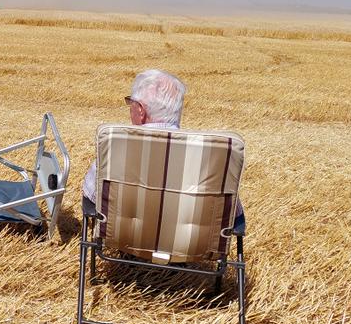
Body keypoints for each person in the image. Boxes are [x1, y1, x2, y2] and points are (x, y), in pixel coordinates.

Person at [81, 68, 244, 221]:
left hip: (125, 239)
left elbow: (92, 195)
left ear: (140, 110)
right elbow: (233, 213)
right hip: (190, 248)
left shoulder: (115, 145)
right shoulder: (212, 155)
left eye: (130, 102)